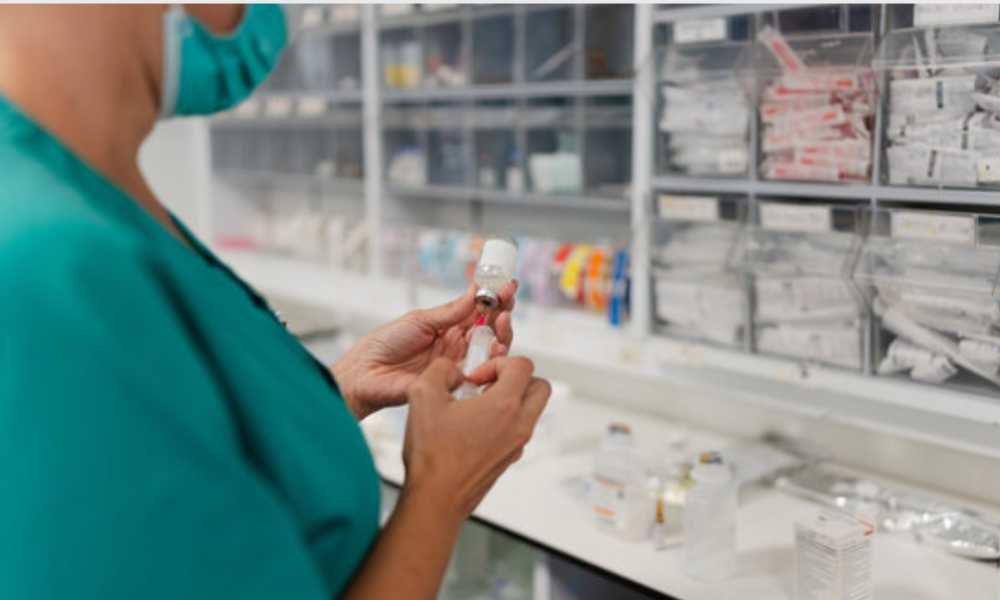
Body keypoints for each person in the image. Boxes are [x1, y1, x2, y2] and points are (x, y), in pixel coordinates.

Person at [0, 5, 550, 599]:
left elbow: (170, 459)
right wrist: (444, 489)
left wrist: (334, 393)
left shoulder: (95, 191)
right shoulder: (46, 259)